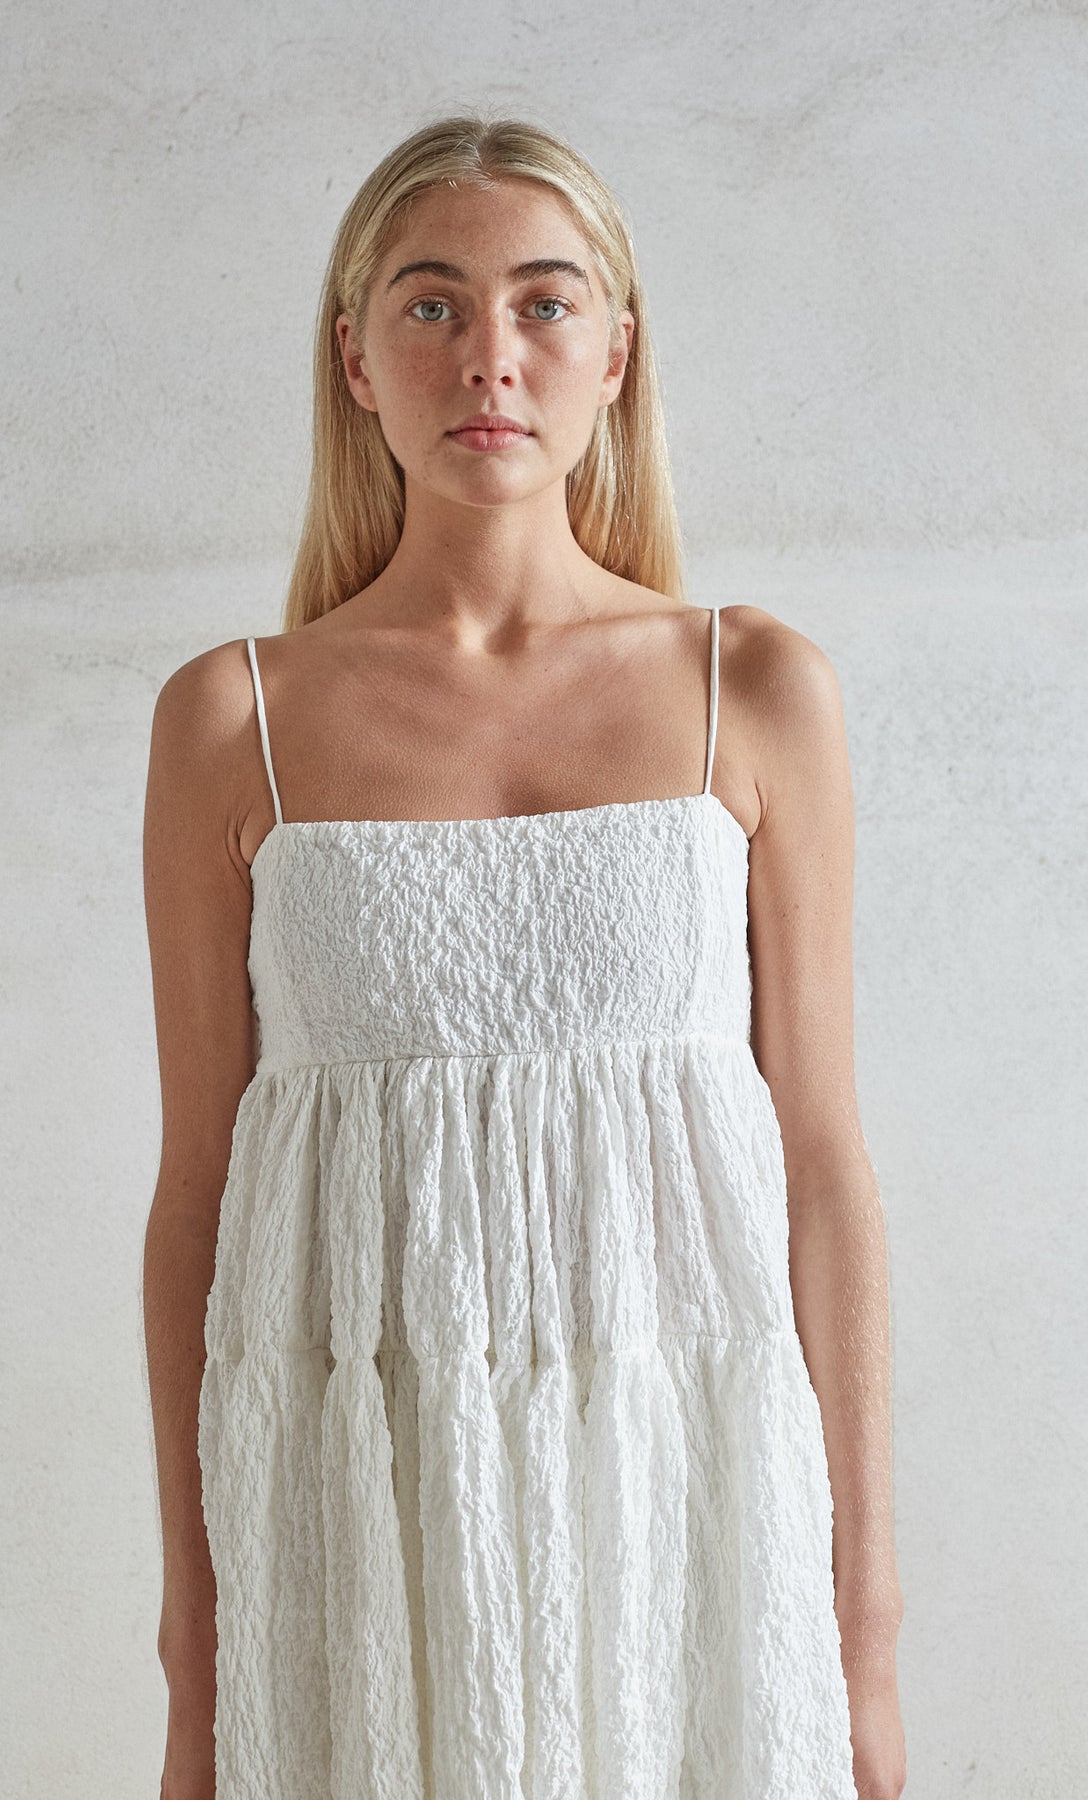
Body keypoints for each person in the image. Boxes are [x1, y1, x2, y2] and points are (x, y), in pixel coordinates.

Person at [142, 113, 906, 1800]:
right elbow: (197, 1196)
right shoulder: (230, 722)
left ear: (615, 351)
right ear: (355, 357)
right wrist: (197, 1651)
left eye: (545, 303)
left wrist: (864, 1625)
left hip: (687, 1493)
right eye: (430, 304)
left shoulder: (753, 690)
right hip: (358, 1507)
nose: (490, 354)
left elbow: (824, 1169)